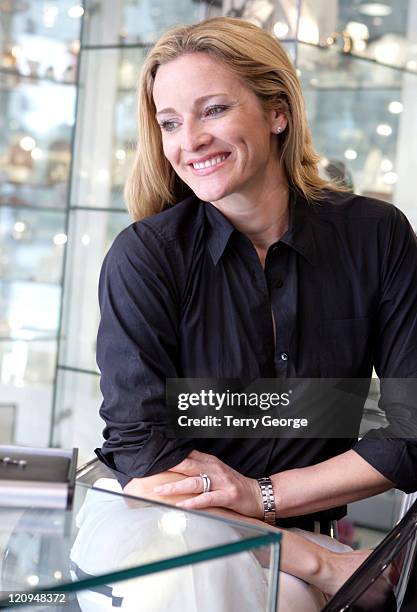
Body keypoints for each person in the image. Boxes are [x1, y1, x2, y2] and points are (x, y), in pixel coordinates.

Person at [95, 16, 417, 601]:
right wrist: (313, 562)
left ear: (277, 111)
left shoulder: (377, 236)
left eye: (213, 109)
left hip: (315, 542)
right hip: (170, 539)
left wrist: (262, 495)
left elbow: (413, 433)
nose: (188, 140)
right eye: (170, 122)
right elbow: (144, 456)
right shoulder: (145, 256)